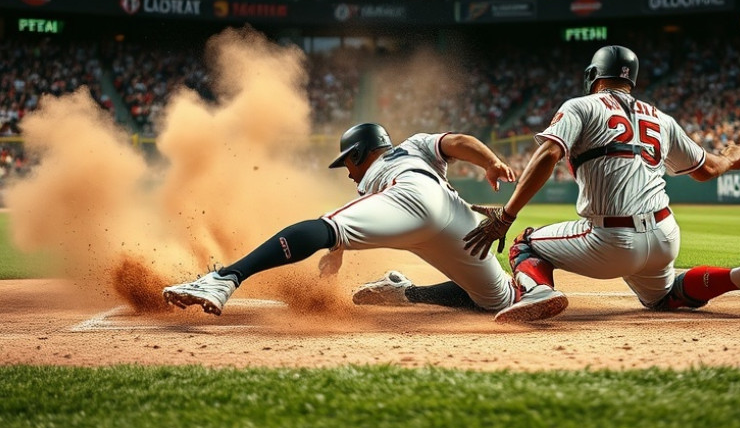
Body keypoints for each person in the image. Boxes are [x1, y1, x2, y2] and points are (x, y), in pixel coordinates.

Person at [461, 45, 740, 321]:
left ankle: (538, 292)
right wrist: (732, 157)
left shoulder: (581, 106)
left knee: (525, 244)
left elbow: (549, 153)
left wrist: (506, 216)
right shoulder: (660, 117)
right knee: (663, 297)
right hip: (665, 237)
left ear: (594, 76)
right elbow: (706, 169)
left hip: (610, 242)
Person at [162, 123, 568, 322]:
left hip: (409, 199)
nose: (347, 172)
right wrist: (492, 161)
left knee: (325, 226)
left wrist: (490, 161)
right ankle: (404, 292)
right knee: (497, 301)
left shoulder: (397, 157)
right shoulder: (412, 149)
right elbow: (457, 143)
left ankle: (223, 279)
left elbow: (456, 142)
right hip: (456, 215)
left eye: (347, 163)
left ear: (358, 153)